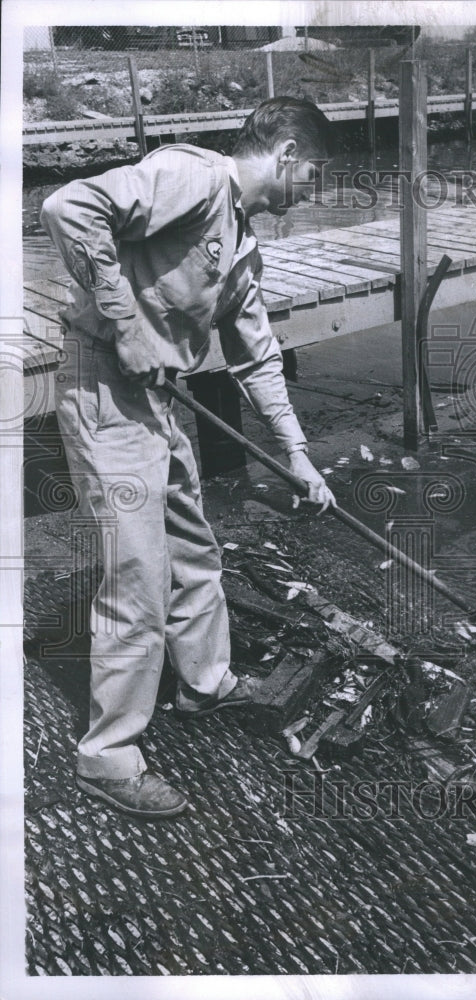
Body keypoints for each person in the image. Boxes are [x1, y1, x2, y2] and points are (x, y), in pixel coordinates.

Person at [40, 98, 336, 819]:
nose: (312, 195)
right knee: (137, 573)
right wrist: (125, 324)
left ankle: (205, 681)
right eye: (315, 176)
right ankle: (106, 758)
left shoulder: (241, 242)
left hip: (159, 394)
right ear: (288, 154)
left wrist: (296, 454)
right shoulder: (192, 178)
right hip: (109, 385)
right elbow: (67, 206)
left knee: (194, 545)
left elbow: (258, 354)